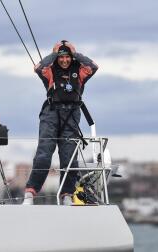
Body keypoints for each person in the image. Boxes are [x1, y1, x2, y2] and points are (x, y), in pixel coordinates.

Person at [22, 40, 98, 205]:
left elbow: (94, 66)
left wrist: (75, 53)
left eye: (67, 57)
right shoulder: (50, 71)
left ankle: (67, 195)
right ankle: (30, 193)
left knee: (69, 158)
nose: (64, 60)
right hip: (51, 114)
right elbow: (37, 67)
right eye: (61, 57)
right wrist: (55, 53)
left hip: (71, 115)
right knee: (43, 155)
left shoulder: (80, 70)